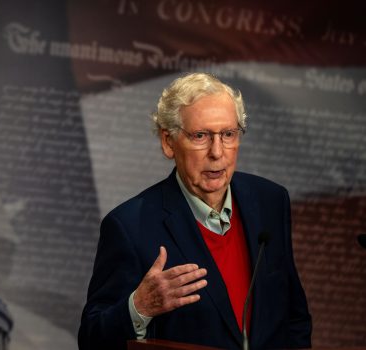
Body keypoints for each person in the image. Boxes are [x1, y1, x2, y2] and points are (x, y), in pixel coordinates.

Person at [78, 73, 312, 350]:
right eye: (200, 136)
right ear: (168, 142)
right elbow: (92, 339)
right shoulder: (130, 226)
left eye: (228, 134)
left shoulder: (270, 201)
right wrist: (139, 308)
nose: (217, 152)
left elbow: (294, 316)